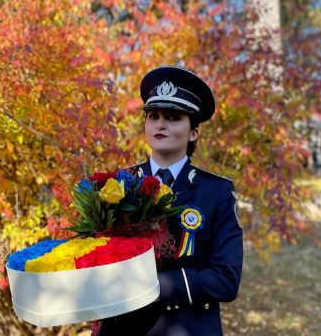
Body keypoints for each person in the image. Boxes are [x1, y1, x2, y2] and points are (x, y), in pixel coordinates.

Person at [99, 65, 244, 336]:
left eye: (173, 117)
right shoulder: (117, 186)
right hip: (126, 328)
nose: (160, 124)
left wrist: (155, 284)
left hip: (189, 326)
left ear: (193, 133)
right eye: (153, 116)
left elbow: (226, 280)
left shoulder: (217, 192)